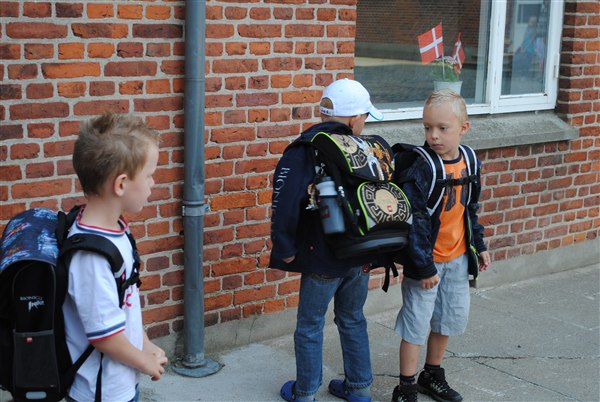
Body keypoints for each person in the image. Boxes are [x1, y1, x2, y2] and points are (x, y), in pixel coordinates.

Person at [270, 78, 392, 402]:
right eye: (364, 118)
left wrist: (284, 248)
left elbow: (285, 201)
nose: (364, 125)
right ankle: (359, 389)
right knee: (352, 319)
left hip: (323, 256)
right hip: (362, 254)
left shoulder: (307, 149)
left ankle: (305, 393)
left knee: (310, 324)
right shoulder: (368, 149)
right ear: (353, 119)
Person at [391, 89, 491, 402]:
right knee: (415, 325)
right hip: (427, 262)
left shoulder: (470, 161)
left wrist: (479, 245)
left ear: (464, 128)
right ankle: (406, 387)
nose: (433, 135)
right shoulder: (422, 167)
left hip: (458, 258)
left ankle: (431, 374)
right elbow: (415, 222)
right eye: (427, 127)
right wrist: (423, 266)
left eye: (442, 128)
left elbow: (470, 209)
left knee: (447, 319)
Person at [62, 113, 168, 401]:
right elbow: (104, 336)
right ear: (121, 184)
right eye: (149, 175)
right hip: (101, 392)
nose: (153, 183)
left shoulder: (115, 231)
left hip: (119, 382)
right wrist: (144, 361)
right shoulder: (91, 258)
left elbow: (125, 304)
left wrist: (144, 343)